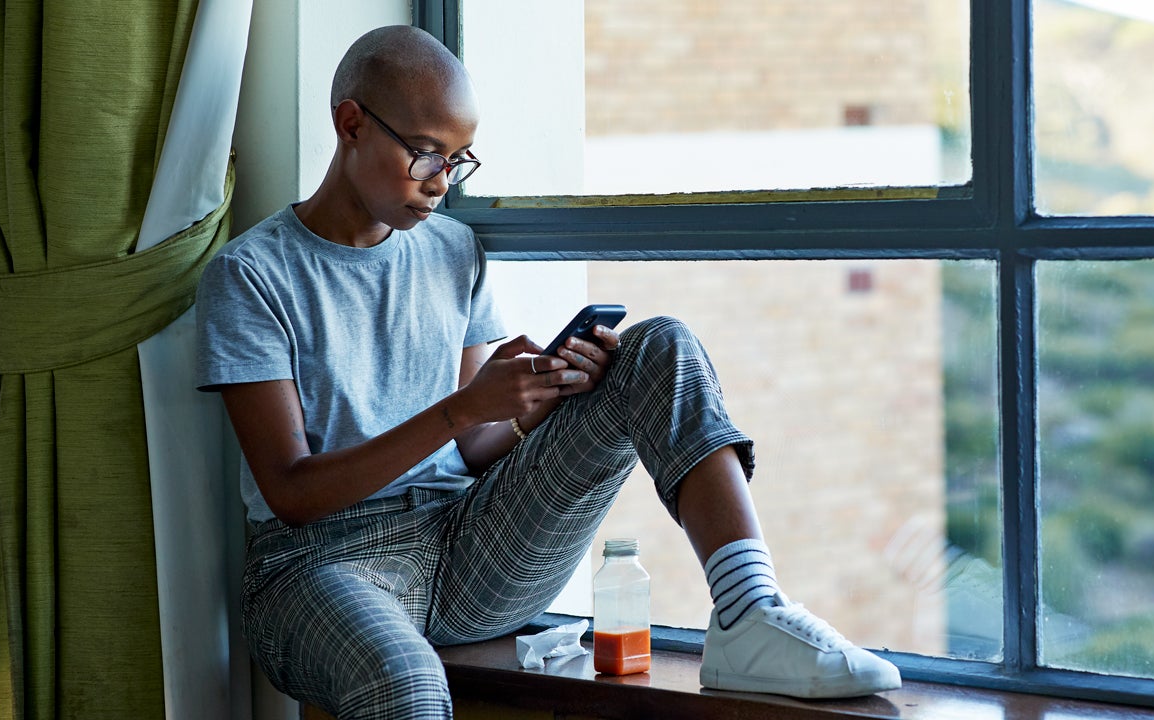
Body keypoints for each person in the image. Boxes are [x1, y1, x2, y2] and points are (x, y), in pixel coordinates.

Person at [195, 24, 901, 719]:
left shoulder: (452, 252)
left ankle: (749, 611)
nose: (442, 182)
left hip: (467, 547)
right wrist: (462, 409)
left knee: (656, 348)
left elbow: (472, 450)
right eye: (426, 155)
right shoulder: (251, 275)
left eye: (459, 159)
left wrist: (526, 409)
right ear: (350, 124)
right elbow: (291, 492)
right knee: (403, 683)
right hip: (316, 568)